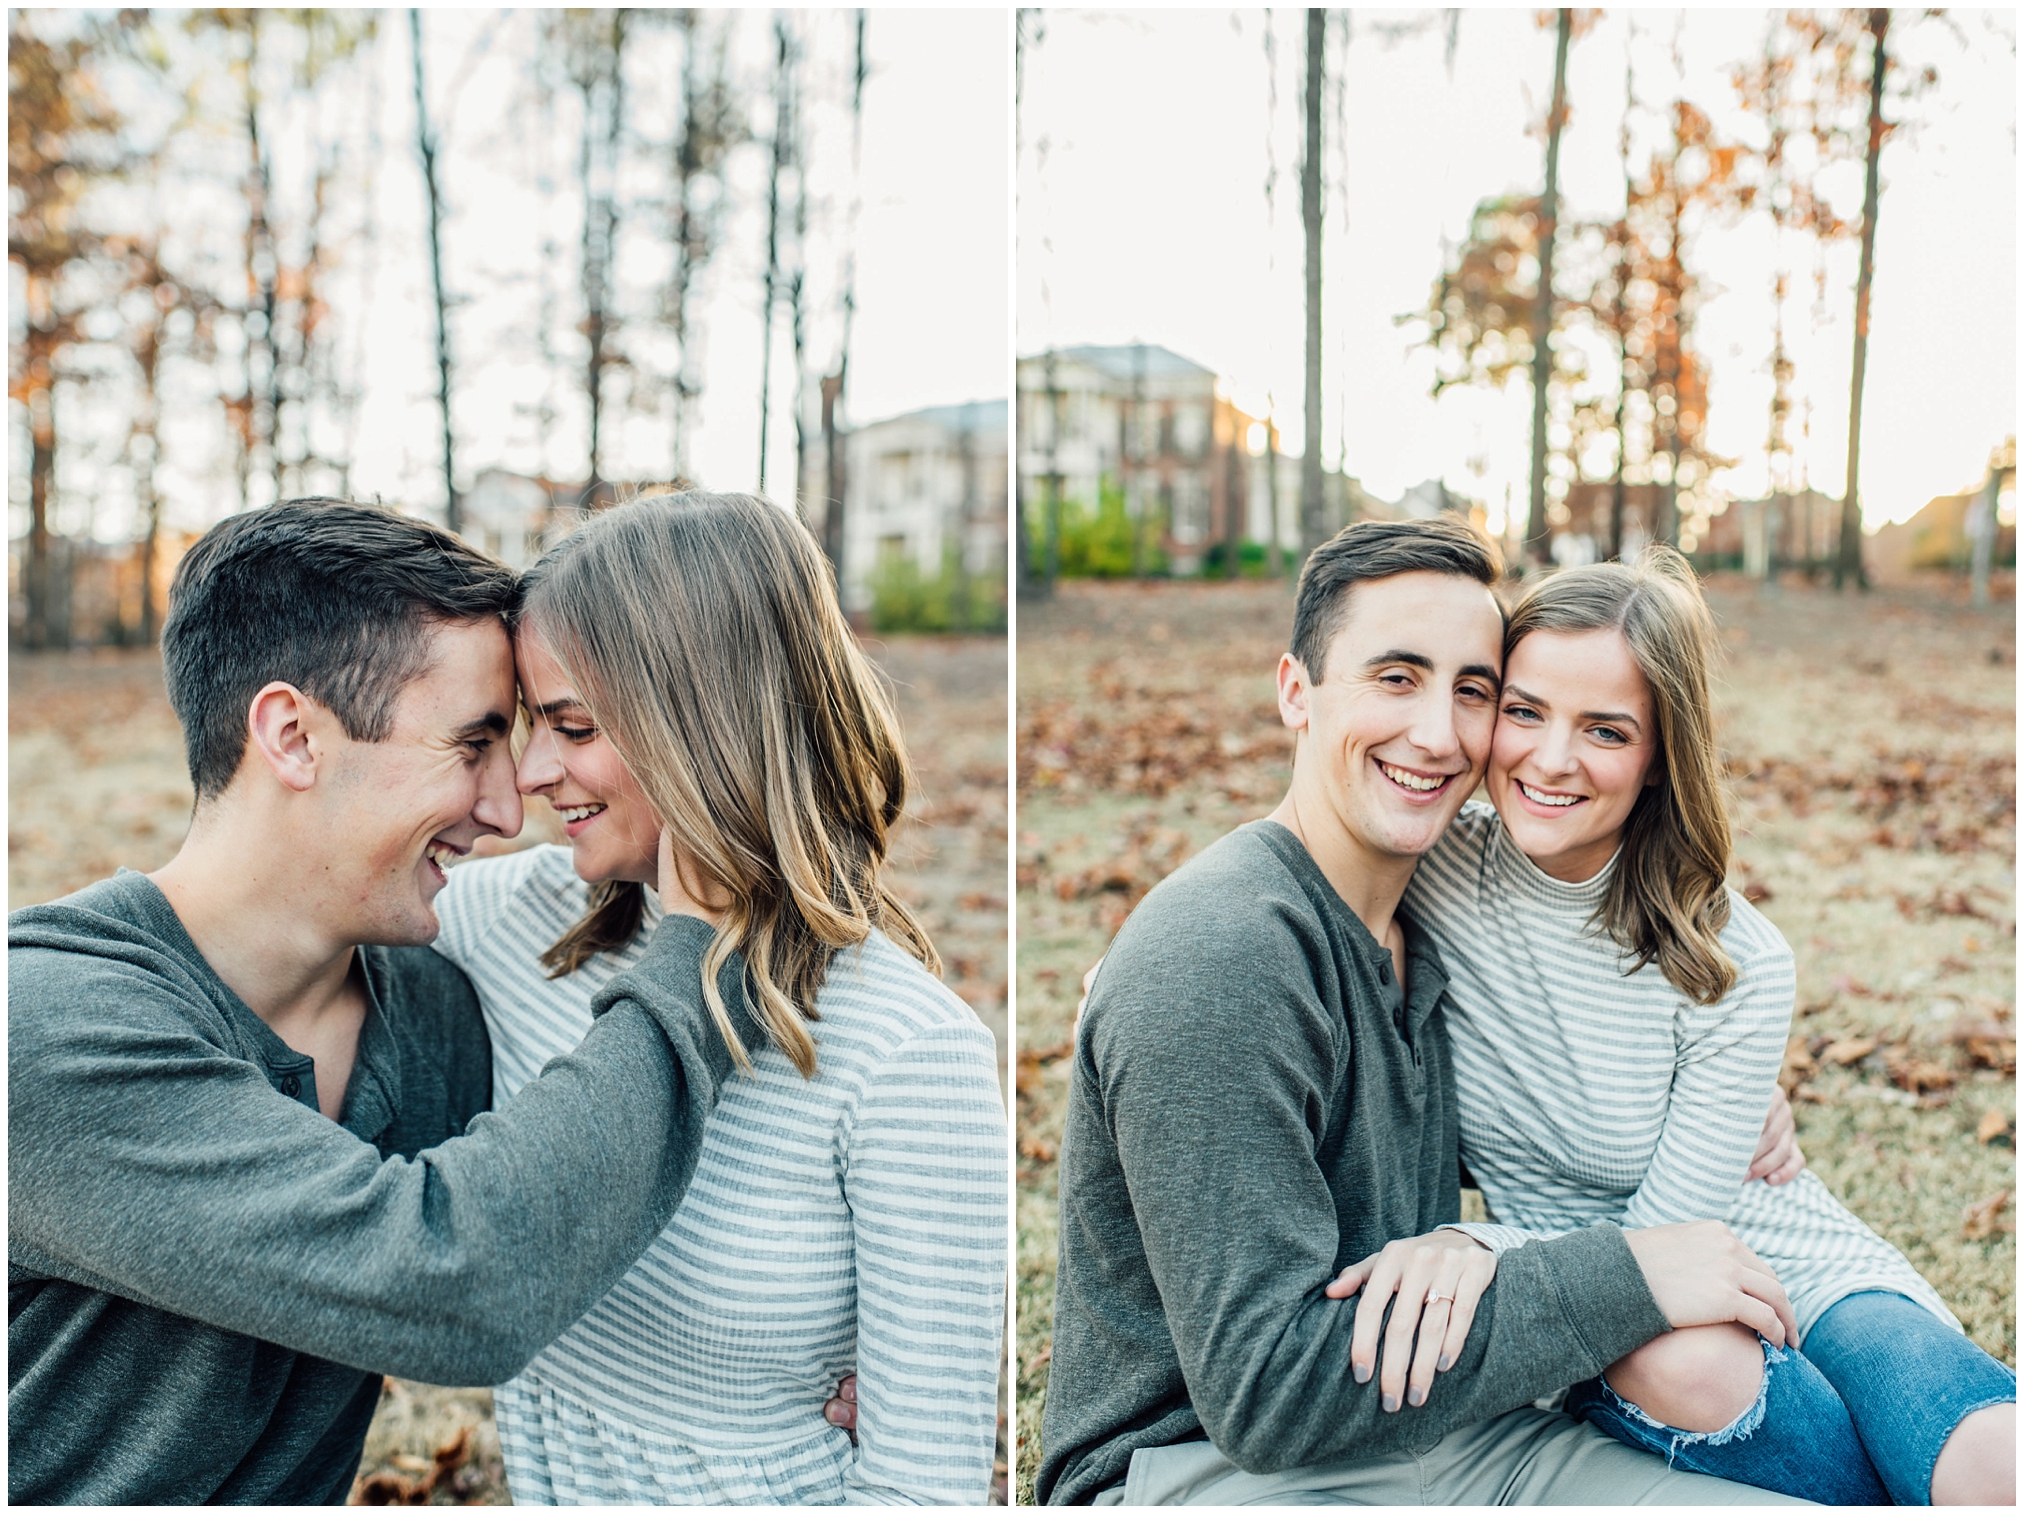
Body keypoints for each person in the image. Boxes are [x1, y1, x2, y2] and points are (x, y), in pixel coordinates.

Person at [8, 500, 767, 1504]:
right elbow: (457, 1279)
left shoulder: (432, 1014)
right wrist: (696, 959)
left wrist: (795, 1367)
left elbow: (564, 1192)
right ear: (293, 735)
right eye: (470, 744)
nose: (506, 807)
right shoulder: (48, 1024)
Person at [1038, 516, 1807, 1506]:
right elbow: (1266, 1393)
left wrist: (1727, 1087)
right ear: (1294, 691)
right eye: (1394, 678)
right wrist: (1627, 1275)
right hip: (1199, 1465)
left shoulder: (1429, 924)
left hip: (1442, 1428)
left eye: (1473, 691)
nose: (1437, 733)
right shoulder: (1215, 957)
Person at [1339, 547, 2014, 1506]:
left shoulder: (1734, 957)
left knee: (1992, 1461)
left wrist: (1480, 1248)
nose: (1553, 757)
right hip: (1645, 1330)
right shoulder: (1431, 863)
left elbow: (1671, 1237)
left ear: (1660, 759)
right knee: (1684, 1364)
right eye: (1525, 711)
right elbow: (1285, 885)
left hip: (1791, 1263)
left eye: (1606, 731)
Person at [428, 491, 1006, 1504]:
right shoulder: (500, 926)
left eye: (573, 724)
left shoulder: (907, 1053)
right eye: (533, 724)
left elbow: (924, 1488)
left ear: (705, 724)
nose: (530, 771)